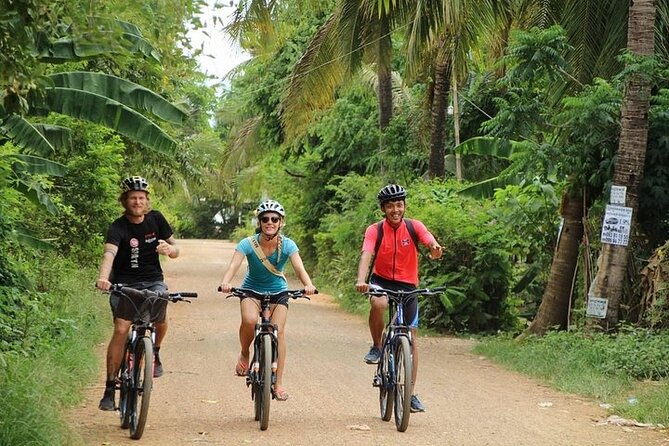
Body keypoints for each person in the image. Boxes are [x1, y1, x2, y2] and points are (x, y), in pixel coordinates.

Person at [355, 184, 443, 413]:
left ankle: (410, 393)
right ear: (383, 209)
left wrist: (434, 247)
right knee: (379, 303)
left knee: (412, 339)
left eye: (399, 205)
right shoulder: (375, 230)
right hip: (381, 280)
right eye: (391, 206)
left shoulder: (414, 227)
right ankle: (376, 345)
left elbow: (428, 238)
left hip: (407, 284)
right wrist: (361, 279)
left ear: (404, 206)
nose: (396, 210)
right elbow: (367, 253)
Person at [218, 199, 317, 401]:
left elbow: (299, 268)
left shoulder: (288, 245)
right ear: (260, 222)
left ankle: (278, 384)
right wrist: (226, 282)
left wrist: (309, 285)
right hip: (251, 290)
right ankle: (245, 352)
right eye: (265, 219)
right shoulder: (248, 243)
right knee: (249, 320)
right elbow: (233, 266)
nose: (269, 222)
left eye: (274, 219)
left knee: (278, 331)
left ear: (281, 222)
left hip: (278, 291)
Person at [95, 176, 180, 411]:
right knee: (122, 329)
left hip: (153, 281)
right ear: (125, 200)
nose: (137, 201)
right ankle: (110, 387)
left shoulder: (156, 219)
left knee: (161, 314)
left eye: (141, 197)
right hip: (124, 284)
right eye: (133, 197)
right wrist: (104, 278)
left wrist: (169, 249)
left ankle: (156, 353)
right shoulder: (118, 227)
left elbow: (177, 248)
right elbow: (109, 255)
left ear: (147, 200)